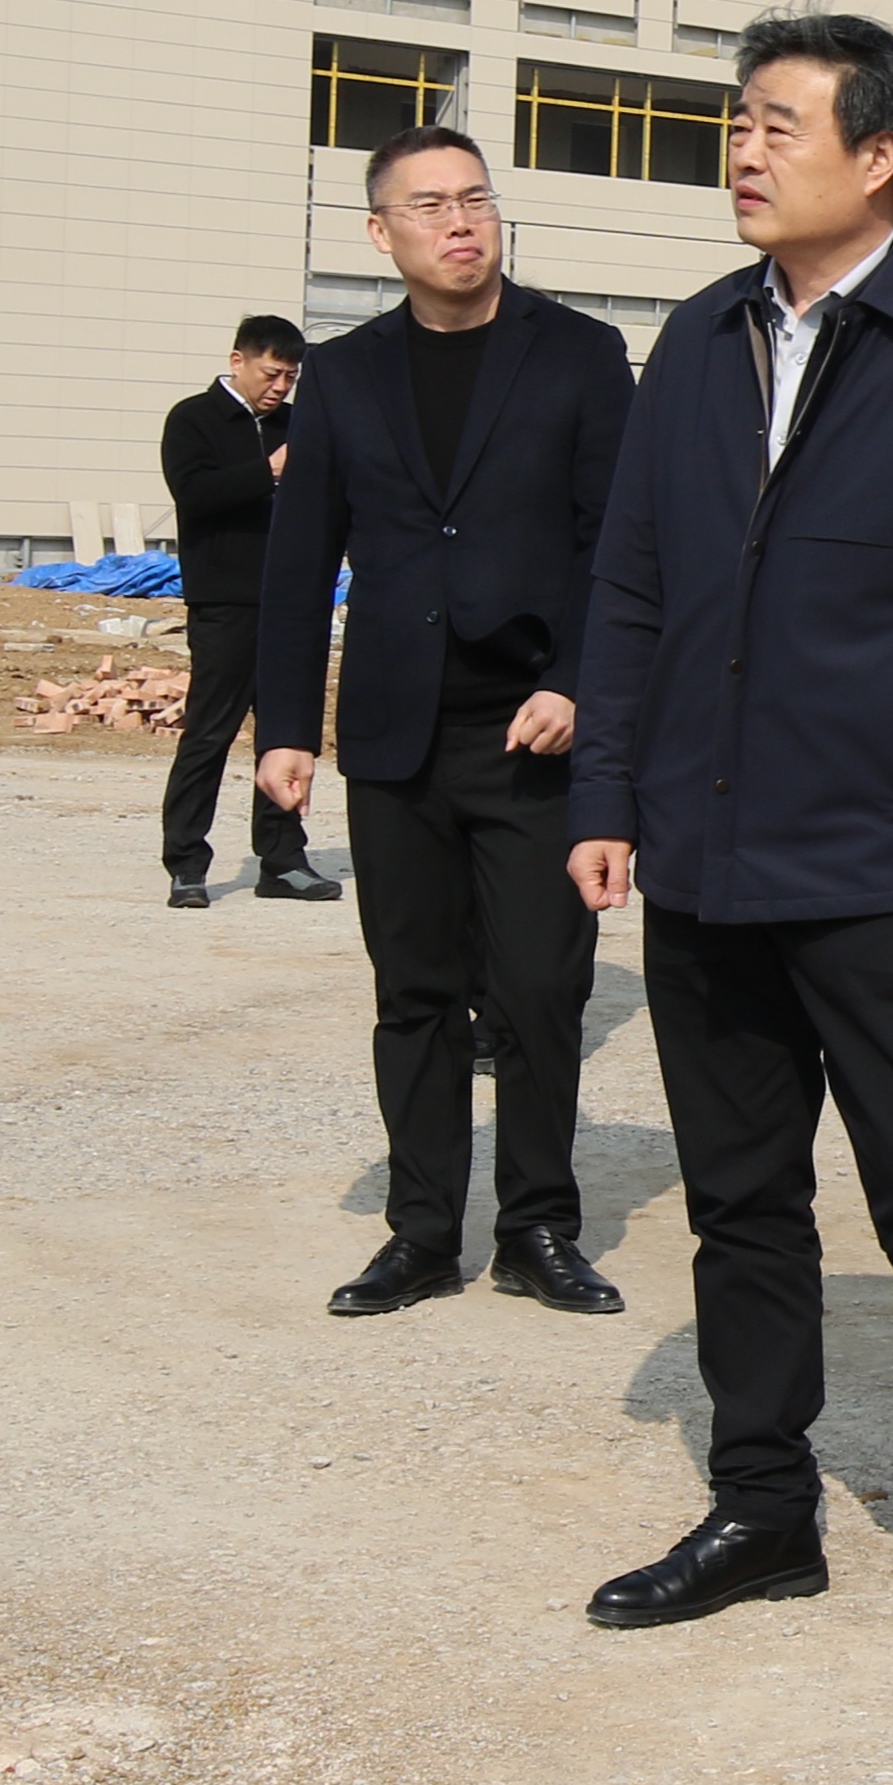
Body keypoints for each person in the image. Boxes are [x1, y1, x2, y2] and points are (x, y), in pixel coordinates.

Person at [566, 11, 893, 1674]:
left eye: (775, 124)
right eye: (737, 121)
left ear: (878, 156)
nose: (741, 149)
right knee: (741, 1204)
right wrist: (607, 795)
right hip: (708, 858)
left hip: (889, 870)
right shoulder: (700, 336)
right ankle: (762, 1506)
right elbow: (632, 583)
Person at [252, 126, 637, 1320]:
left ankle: (537, 1228)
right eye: (429, 205)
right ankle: (420, 1233)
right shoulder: (344, 373)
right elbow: (299, 557)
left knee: (539, 992)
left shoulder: (579, 354)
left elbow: (618, 546)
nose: (460, 222)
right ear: (383, 233)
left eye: (475, 198)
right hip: (395, 734)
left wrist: (578, 683)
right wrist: (285, 727)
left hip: (533, 734)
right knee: (413, 992)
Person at [158, 315, 336, 908]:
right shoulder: (194, 420)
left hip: (293, 605)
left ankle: (282, 860)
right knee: (209, 733)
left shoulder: (298, 424)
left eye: (290, 377)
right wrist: (269, 471)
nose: (280, 387)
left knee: (287, 734)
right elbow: (195, 493)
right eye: (271, 373)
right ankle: (187, 863)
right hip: (226, 603)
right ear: (238, 361)